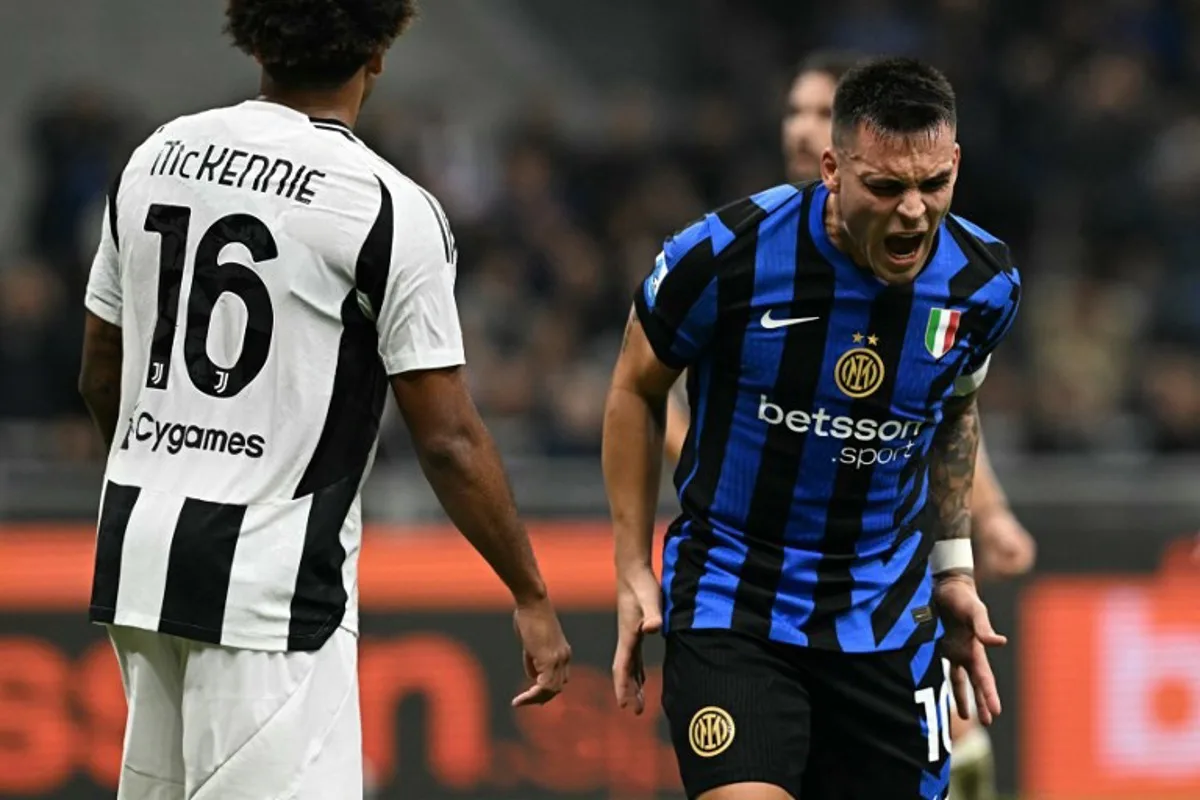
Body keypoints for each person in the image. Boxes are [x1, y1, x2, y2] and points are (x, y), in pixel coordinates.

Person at [76, 2, 571, 797]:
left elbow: (102, 371)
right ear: (378, 51)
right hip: (270, 594)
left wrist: (166, 471)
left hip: (138, 561)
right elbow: (447, 439)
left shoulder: (155, 157)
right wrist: (530, 592)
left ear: (254, 35)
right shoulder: (386, 205)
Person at [603, 56, 1020, 800]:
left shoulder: (982, 285)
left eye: (934, 185)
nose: (915, 211)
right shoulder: (721, 255)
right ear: (833, 167)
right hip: (735, 603)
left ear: (955, 163)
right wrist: (633, 567)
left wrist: (953, 568)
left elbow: (954, 409)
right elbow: (636, 387)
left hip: (886, 619)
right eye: (887, 187)